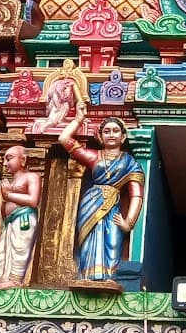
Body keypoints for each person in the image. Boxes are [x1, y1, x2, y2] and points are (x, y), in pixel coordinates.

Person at [59, 113, 144, 289]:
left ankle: (109, 278)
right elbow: (64, 139)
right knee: (90, 239)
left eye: (115, 131)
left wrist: (128, 222)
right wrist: (78, 119)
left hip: (113, 207)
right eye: (106, 131)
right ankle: (87, 276)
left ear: (123, 136)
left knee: (112, 241)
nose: (111, 134)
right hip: (91, 204)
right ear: (100, 136)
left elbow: (136, 194)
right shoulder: (94, 157)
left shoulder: (130, 163)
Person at [0, 145, 43, 289]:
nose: (4, 163)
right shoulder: (10, 183)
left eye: (9, 158)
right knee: (2, 251)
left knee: (19, 248)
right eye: (4, 159)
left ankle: (15, 280)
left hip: (23, 220)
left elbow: (33, 201)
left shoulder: (31, 177)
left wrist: (8, 195)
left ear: (23, 160)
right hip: (10, 222)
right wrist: (4, 199)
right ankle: (2, 280)